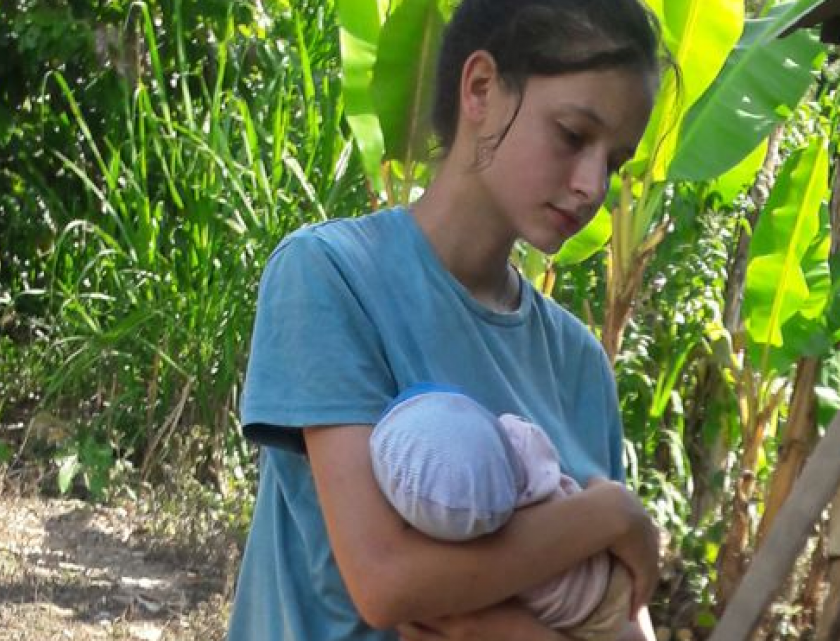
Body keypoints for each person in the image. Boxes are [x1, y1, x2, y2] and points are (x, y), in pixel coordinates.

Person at [226, 0, 665, 639]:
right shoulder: (332, 275)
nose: (593, 186)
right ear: (480, 88)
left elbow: (617, 609)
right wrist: (614, 516)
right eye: (573, 135)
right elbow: (387, 581)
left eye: (615, 162)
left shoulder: (578, 363)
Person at [369, 386, 633, 641]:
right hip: (606, 579)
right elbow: (384, 596)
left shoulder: (454, 548)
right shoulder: (522, 462)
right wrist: (614, 509)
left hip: (572, 616)